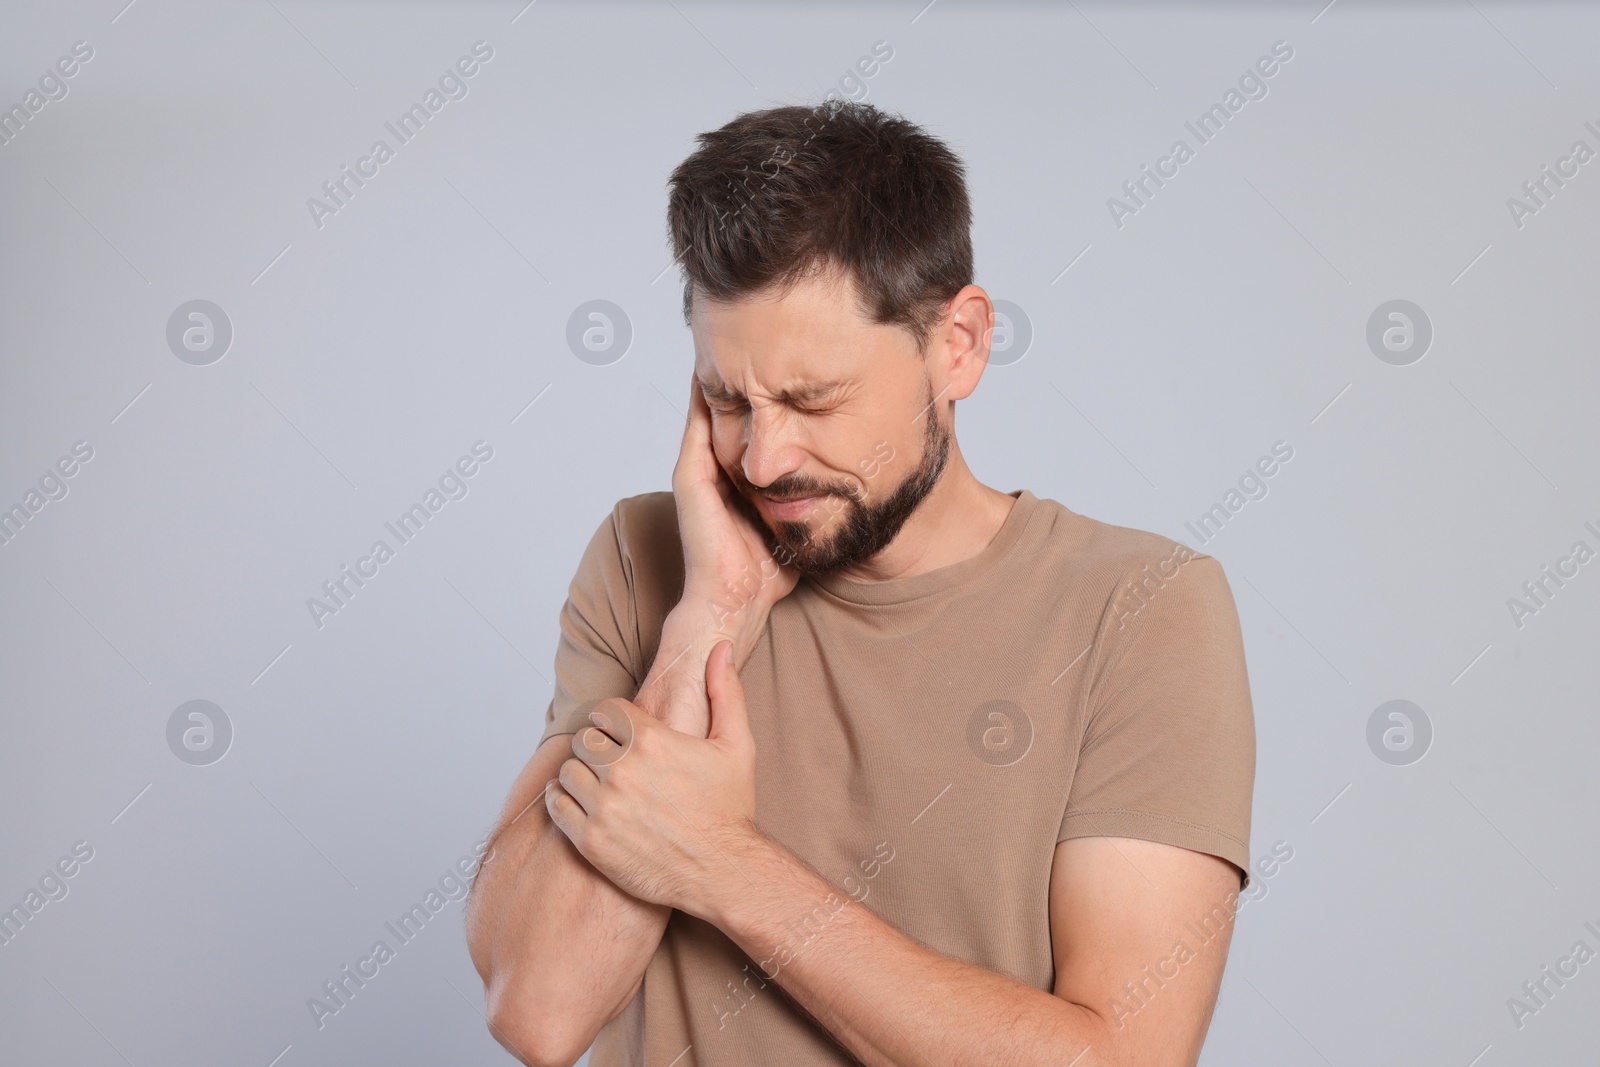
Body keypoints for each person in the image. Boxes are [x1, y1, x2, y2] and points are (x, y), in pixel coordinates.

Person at [465, 99, 1256, 1067]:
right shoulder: (648, 558)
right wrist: (709, 615)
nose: (761, 458)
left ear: (957, 344)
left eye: (812, 399)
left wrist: (723, 866)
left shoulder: (1141, 607)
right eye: (725, 399)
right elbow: (537, 1010)